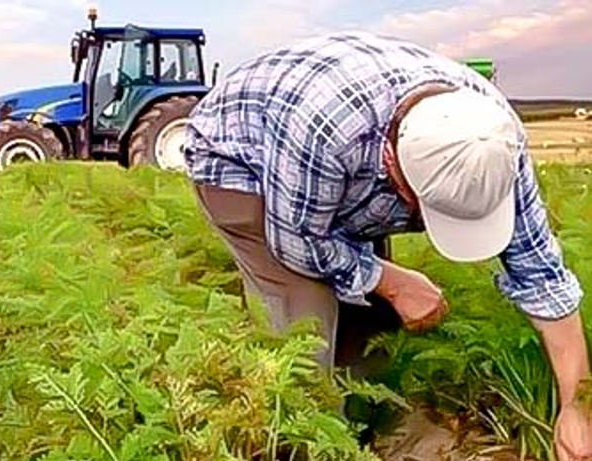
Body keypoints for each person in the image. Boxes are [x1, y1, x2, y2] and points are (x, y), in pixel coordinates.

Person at [183, 31, 592, 460]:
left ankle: (369, 429)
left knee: (372, 324)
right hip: (243, 162)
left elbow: (542, 277)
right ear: (392, 163)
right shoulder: (325, 130)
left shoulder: (494, 138)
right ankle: (304, 442)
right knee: (304, 325)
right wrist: (391, 281)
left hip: (341, 161)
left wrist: (575, 406)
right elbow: (298, 243)